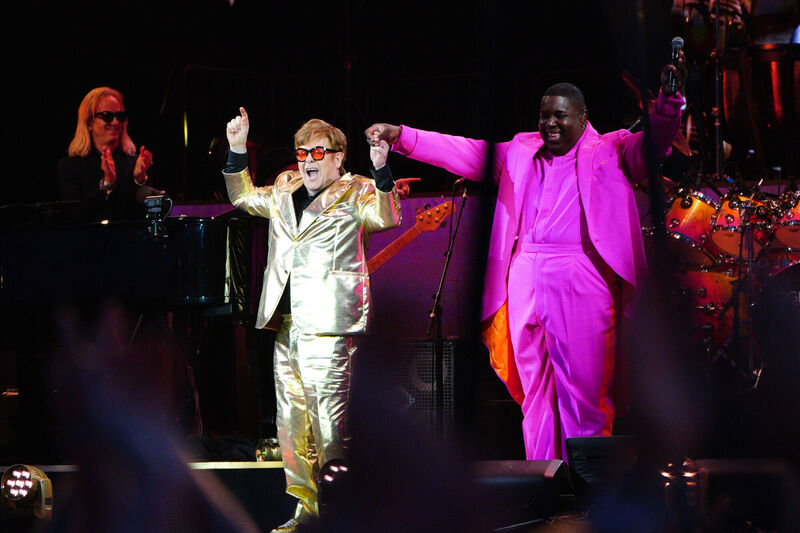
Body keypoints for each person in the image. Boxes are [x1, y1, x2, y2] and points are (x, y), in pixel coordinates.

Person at [366, 62, 685, 461]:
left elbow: (653, 145)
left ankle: (590, 492)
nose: (549, 123)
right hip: (526, 274)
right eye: (544, 115)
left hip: (581, 273)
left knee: (583, 391)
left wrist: (668, 105)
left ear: (583, 118)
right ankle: (544, 483)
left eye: (559, 116)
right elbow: (466, 151)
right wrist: (404, 138)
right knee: (535, 391)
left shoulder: (611, 148)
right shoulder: (521, 148)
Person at [222, 107, 401, 532]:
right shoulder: (286, 186)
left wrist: (382, 171)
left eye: (319, 152)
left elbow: (388, 216)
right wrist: (235, 149)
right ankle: (306, 513)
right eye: (303, 152)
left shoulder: (358, 191)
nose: (308, 160)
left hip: (331, 322)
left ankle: (344, 513)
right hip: (286, 324)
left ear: (339, 157)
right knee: (290, 425)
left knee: (331, 425)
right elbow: (243, 197)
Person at [57, 86, 161, 222]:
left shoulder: (135, 163)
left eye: (120, 116)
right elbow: (75, 215)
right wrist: (105, 185)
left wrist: (139, 180)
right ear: (89, 122)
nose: (116, 122)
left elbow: (144, 216)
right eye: (107, 116)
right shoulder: (70, 166)